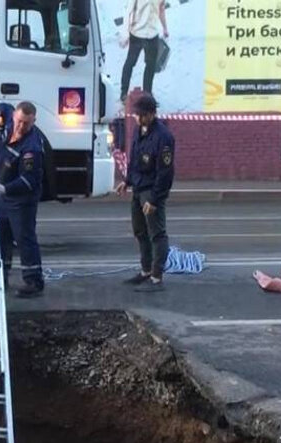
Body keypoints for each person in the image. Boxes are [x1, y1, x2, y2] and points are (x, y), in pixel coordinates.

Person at [0, 101, 47, 298]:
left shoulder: (32, 147)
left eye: (26, 124)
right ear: (14, 117)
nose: (21, 127)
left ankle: (34, 281)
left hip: (21, 199)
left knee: (24, 238)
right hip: (4, 196)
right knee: (1, 236)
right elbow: (5, 106)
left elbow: (29, 179)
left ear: (33, 122)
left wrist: (5, 188)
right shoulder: (11, 121)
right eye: (19, 121)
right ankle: (0, 276)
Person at [116, 93, 174, 292]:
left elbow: (165, 172)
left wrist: (155, 199)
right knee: (140, 231)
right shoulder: (139, 130)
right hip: (138, 188)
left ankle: (157, 278)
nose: (138, 119)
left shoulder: (163, 137)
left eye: (142, 116)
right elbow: (134, 159)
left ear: (152, 114)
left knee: (157, 234)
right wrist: (127, 181)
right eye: (136, 115)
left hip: (151, 191)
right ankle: (146, 270)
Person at [119, 0, 169, 103]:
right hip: (137, 33)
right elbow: (129, 11)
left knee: (150, 65)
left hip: (152, 34)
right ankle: (124, 93)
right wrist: (126, 33)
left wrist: (165, 28)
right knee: (130, 62)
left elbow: (161, 9)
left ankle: (147, 94)